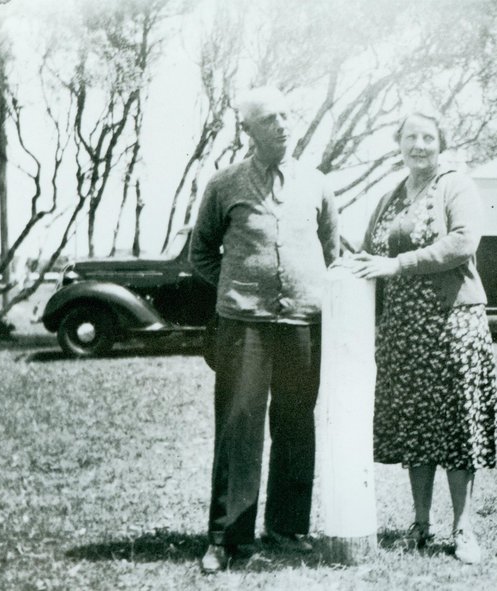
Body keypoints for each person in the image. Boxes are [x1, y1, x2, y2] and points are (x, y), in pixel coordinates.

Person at [189, 86, 339, 574]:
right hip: (243, 326)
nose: (281, 125)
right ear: (248, 129)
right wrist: (237, 287)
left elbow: (332, 254)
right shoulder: (224, 183)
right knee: (239, 426)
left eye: (286, 116)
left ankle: (287, 528)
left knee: (296, 422)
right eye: (269, 119)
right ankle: (226, 537)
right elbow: (201, 252)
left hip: (303, 324)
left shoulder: (317, 184)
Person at [345, 110, 497, 564]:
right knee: (416, 425)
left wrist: (399, 264)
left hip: (453, 323)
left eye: (428, 137)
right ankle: (421, 524)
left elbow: (463, 242)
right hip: (404, 330)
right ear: (399, 143)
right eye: (411, 137)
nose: (419, 145)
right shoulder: (390, 196)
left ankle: (463, 528)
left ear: (441, 143)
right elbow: (370, 252)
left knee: (457, 426)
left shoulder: (456, 186)